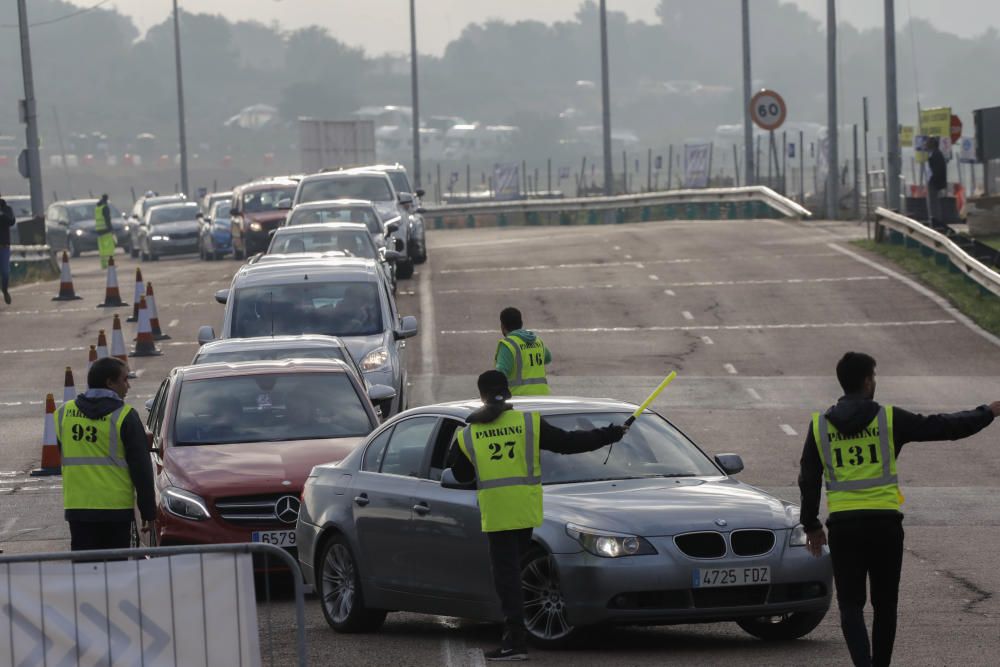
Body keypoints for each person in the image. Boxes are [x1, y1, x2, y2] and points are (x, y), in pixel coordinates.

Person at [798, 352, 999, 667]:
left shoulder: (820, 426)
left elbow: (808, 478)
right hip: (885, 525)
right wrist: (987, 412)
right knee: (885, 605)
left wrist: (811, 524)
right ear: (867, 381)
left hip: (844, 527)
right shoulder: (889, 418)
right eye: (873, 377)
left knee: (851, 606)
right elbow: (944, 426)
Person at [445, 370, 625, 661]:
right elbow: (569, 443)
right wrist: (609, 434)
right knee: (515, 574)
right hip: (526, 512)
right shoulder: (529, 423)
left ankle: (514, 641)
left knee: (507, 579)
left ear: (481, 396)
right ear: (508, 393)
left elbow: (460, 474)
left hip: (498, 515)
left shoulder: (468, 433)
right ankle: (516, 636)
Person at [56, 357, 156, 551]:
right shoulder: (125, 416)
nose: (128, 386)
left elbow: (64, 452)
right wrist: (148, 512)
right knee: (115, 573)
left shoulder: (63, 413)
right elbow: (141, 469)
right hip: (116, 511)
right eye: (125, 380)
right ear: (110, 383)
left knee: (85, 574)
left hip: (78, 509)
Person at [495, 307, 551, 396]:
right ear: (521, 323)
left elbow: (500, 375)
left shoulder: (508, 344)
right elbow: (548, 358)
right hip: (542, 396)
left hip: (519, 397)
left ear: (502, 326)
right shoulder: (537, 340)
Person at [926, 138, 948, 229]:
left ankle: (936, 221)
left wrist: (933, 179)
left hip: (934, 182)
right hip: (934, 181)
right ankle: (935, 219)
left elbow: (937, 170)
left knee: (934, 202)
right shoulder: (935, 154)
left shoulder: (936, 155)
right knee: (934, 202)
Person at [0, 192, 15, 305]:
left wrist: (1, 214)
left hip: (4, 246)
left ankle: (4, 290)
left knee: (5, 272)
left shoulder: (6, 209)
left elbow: (11, 221)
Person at [94, 193, 116, 269]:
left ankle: (103, 265)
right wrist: (111, 229)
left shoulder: (97, 207)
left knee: (102, 249)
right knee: (109, 248)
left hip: (98, 230)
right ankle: (110, 263)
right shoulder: (105, 207)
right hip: (106, 230)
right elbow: (107, 219)